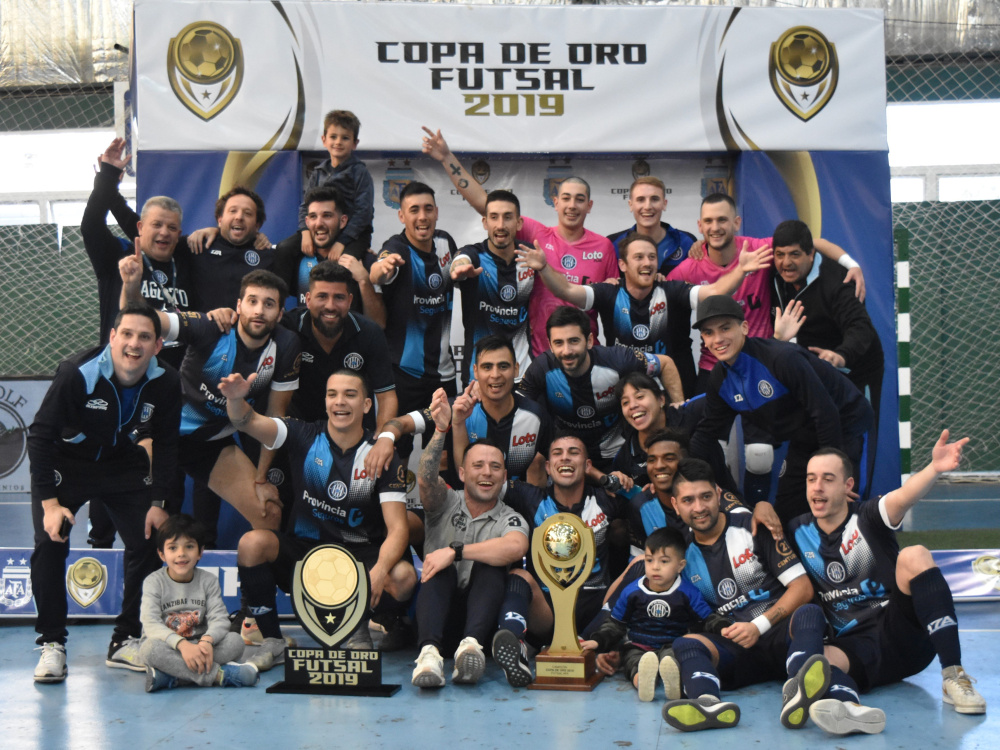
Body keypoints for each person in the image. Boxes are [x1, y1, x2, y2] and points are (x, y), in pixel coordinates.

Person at [659, 459, 882, 735]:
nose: (699, 507)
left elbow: (802, 588)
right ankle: (708, 704)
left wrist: (758, 625)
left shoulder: (753, 527)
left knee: (809, 614)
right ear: (675, 504)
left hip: (784, 636)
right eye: (688, 500)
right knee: (687, 643)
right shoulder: (680, 555)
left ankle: (826, 697)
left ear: (718, 494)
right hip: (738, 647)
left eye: (705, 496)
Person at [786, 435, 985, 732]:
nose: (817, 487)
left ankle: (953, 675)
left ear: (848, 485)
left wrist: (934, 468)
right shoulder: (797, 530)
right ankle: (850, 708)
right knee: (812, 662)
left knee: (914, 555)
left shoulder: (868, 516)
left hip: (902, 637)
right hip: (854, 649)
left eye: (828, 479)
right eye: (811, 479)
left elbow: (904, 496)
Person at [221, 369, 415, 668]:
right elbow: (248, 422)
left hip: (360, 555)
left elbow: (399, 529)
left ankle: (361, 623)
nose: (340, 402)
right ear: (325, 402)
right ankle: (273, 640)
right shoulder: (303, 434)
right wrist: (235, 400)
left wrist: (378, 572)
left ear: (366, 405)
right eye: (332, 394)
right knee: (251, 544)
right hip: (307, 555)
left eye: (350, 395)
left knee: (403, 578)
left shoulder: (381, 455)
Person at [29, 303, 180, 683]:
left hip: (121, 463)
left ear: (157, 346)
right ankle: (51, 643)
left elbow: (167, 444)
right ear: (112, 337)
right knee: (50, 542)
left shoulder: (167, 381)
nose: (134, 344)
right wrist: (50, 505)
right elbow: (40, 436)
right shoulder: (77, 373)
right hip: (67, 464)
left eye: (144, 337)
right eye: (126, 334)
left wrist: (158, 502)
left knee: (148, 538)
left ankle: (125, 639)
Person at [120, 252, 301, 539]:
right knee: (145, 520)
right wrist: (131, 287)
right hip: (162, 433)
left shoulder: (286, 345)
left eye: (269, 304)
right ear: (238, 305)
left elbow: (276, 419)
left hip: (211, 444)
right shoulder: (211, 326)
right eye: (252, 301)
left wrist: (260, 479)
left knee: (269, 513)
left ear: (280, 314)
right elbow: (143, 322)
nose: (259, 311)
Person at [421, 126, 619, 356]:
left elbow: (614, 302)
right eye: (566, 198)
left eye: (579, 199)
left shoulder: (604, 247)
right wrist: (447, 158)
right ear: (555, 202)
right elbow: (486, 203)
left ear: (589, 205)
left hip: (585, 354)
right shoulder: (537, 235)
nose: (572, 205)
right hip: (540, 355)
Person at [687, 295, 873, 525]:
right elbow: (705, 435)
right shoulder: (719, 379)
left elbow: (826, 413)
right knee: (787, 514)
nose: (718, 339)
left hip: (846, 426)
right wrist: (682, 478)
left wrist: (832, 474)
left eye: (725, 328)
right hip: (804, 436)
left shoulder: (782, 358)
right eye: (708, 333)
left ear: (744, 328)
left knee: (840, 509)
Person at [519, 231, 773, 396]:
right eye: (639, 257)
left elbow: (715, 291)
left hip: (675, 387)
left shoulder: (672, 291)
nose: (647, 263)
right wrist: (544, 267)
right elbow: (566, 289)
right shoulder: (608, 292)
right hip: (627, 392)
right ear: (622, 265)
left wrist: (740, 270)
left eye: (651, 257)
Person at [490, 433, 632, 687]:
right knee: (518, 576)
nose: (565, 457)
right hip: (547, 612)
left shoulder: (605, 500)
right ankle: (516, 644)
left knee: (638, 567)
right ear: (548, 467)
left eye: (574, 452)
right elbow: (482, 482)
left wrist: (611, 480)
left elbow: (646, 498)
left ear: (587, 465)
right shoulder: (530, 497)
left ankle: (597, 645)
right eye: (557, 453)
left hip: (596, 611)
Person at [410, 393, 529, 688]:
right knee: (439, 567)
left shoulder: (511, 517)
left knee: (490, 566)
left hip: (481, 624)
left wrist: (456, 551)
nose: (487, 473)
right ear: (462, 473)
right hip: (438, 617)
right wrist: (441, 429)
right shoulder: (445, 501)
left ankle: (470, 649)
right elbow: (425, 479)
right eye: (478, 466)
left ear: (504, 477)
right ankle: (429, 657)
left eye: (495, 467)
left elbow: (516, 546)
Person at [771, 219, 884, 489]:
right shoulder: (772, 273)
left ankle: (856, 510)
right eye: (780, 255)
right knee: (812, 444)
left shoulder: (839, 282)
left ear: (811, 255)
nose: (786, 263)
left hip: (854, 373)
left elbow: (860, 329)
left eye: (795, 255)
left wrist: (839, 356)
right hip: (812, 373)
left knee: (851, 449)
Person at [518, 306, 682, 476]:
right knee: (535, 459)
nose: (566, 351)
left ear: (589, 341)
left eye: (574, 341)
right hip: (569, 459)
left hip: (617, 455)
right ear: (550, 346)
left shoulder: (617, 360)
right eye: (559, 343)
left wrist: (679, 409)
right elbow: (517, 408)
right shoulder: (541, 369)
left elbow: (665, 364)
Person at [82, 137, 195, 371]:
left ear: (179, 234)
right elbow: (91, 225)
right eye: (157, 225)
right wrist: (108, 174)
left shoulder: (189, 259)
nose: (164, 232)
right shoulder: (119, 257)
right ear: (140, 227)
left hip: (179, 378)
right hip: (123, 374)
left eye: (172, 228)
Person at [369, 181, 459, 460]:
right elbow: (378, 271)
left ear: (436, 212)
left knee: (443, 457)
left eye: (428, 209)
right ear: (401, 216)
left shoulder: (445, 243)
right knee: (396, 454)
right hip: (403, 374)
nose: (422, 217)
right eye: (414, 210)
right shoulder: (396, 248)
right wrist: (381, 269)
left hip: (444, 374)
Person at [581, 527, 719, 702]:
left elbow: (706, 618)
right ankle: (643, 682)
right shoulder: (632, 591)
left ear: (680, 566)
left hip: (671, 644)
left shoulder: (687, 592)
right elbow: (615, 624)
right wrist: (598, 640)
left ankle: (674, 682)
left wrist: (723, 626)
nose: (655, 567)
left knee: (673, 657)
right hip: (638, 645)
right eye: (649, 560)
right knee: (633, 660)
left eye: (664, 561)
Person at [139, 514, 259, 692]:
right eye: (173, 548)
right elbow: (150, 623)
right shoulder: (153, 581)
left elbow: (220, 619)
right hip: (169, 646)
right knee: (149, 650)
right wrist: (182, 645)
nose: (181, 553)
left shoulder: (208, 580)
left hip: (201, 645)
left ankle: (172, 676)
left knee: (235, 642)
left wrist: (207, 641)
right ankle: (219, 676)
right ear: (162, 554)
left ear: (200, 552)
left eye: (189, 546)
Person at [280, 261, 396, 429]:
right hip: (299, 432)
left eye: (339, 297)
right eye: (322, 296)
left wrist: (384, 437)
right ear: (308, 300)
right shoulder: (287, 327)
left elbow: (386, 396)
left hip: (355, 434)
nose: (330, 306)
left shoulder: (369, 333)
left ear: (349, 301)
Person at [449, 189, 534, 378]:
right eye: (494, 217)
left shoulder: (530, 256)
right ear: (485, 222)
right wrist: (460, 267)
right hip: (478, 377)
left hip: (523, 373)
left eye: (507, 217)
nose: (500, 225)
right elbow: (461, 259)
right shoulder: (474, 255)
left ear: (519, 223)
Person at [274, 186, 384, 323]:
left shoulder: (361, 261)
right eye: (313, 217)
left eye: (327, 216)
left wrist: (364, 280)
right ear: (307, 222)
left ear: (343, 221)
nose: (319, 223)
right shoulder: (294, 258)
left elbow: (379, 323)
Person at [296, 109, 374, 260]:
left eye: (345, 138)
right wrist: (305, 232)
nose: (338, 142)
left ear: (355, 143)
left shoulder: (360, 173)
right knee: (285, 249)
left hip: (354, 236)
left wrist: (341, 242)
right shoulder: (318, 172)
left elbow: (364, 213)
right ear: (324, 140)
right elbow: (305, 206)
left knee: (344, 263)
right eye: (333, 137)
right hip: (322, 230)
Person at [186, 187, 276, 311]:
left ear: (257, 225)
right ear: (220, 219)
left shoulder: (269, 256)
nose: (239, 217)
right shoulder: (197, 245)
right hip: (202, 323)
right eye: (233, 211)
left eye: (248, 213)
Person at [607, 176, 697, 276]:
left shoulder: (686, 242)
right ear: (631, 205)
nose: (647, 206)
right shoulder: (613, 244)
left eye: (654, 199)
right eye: (640, 200)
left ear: (664, 204)